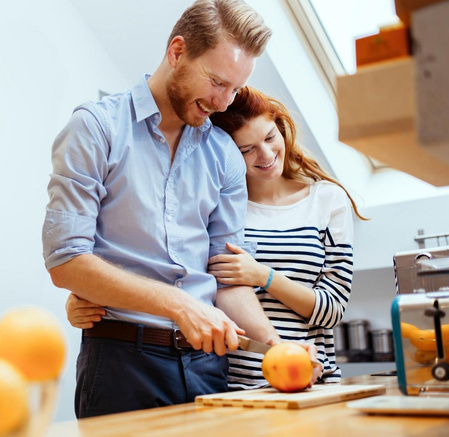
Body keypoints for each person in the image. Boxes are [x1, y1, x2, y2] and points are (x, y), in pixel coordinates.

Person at [42, 0, 292, 419]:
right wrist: (178, 305)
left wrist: (275, 342)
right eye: (216, 81)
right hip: (121, 364)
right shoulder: (96, 128)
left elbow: (226, 277)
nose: (224, 101)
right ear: (177, 52)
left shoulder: (224, 155)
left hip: (208, 367)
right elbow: (66, 260)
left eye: (234, 88)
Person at [68, 86, 366, 391]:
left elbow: (332, 309)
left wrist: (263, 276)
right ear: (229, 154)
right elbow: (184, 275)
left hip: (308, 371)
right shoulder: (217, 206)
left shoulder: (327, 200)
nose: (264, 155)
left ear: (281, 127)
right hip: (233, 380)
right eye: (247, 149)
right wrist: (92, 292)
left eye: (269, 137)